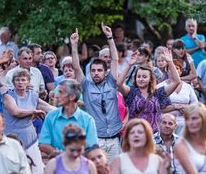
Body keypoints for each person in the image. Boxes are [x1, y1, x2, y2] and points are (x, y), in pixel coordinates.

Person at [71, 25, 123, 161]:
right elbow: (76, 67)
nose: (96, 73)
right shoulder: (86, 85)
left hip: (114, 138)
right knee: (95, 173)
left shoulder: (112, 81)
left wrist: (110, 38)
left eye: (99, 70)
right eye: (93, 71)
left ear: (105, 72)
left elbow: (115, 60)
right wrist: (74, 46)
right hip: (95, 138)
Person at [2, 69, 54, 174]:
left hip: (30, 138)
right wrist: (34, 111)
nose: (20, 82)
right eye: (17, 80)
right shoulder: (8, 96)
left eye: (23, 80)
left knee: (36, 171)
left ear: (28, 82)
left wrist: (66, 110)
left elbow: (49, 108)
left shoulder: (33, 95)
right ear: (13, 82)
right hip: (11, 137)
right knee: (13, 172)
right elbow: (16, 112)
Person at [117, 49, 180, 133]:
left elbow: (176, 81)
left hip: (153, 136)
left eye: (144, 76)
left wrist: (170, 62)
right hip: (135, 134)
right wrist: (129, 65)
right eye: (138, 76)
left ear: (150, 79)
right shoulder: (131, 92)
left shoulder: (157, 93)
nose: (141, 79)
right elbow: (119, 83)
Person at [39, 78, 98, 155]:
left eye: (60, 92)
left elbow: (91, 148)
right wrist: (64, 158)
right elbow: (43, 144)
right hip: (57, 163)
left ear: (72, 96)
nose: (56, 96)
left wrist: (73, 159)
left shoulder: (88, 120)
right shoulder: (50, 116)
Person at [158, 59, 198, 133]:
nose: (174, 71)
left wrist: (185, 107)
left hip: (184, 120)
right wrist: (176, 106)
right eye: (171, 69)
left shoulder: (188, 87)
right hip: (165, 121)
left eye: (177, 68)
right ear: (167, 71)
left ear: (181, 71)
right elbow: (158, 106)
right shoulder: (160, 86)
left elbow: (195, 105)